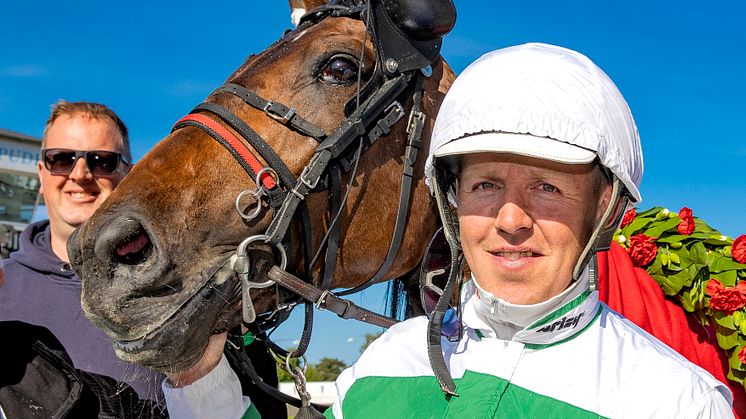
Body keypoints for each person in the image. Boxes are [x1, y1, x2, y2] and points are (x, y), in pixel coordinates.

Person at [322, 43, 734, 417]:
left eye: (547, 187)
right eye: (486, 186)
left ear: (605, 207)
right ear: (454, 199)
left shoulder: (679, 402)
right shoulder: (376, 369)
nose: (510, 221)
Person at [0, 101, 165, 401]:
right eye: (61, 159)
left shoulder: (172, 284)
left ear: (128, 175)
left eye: (102, 161)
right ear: (41, 172)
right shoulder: (3, 289)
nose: (80, 173)